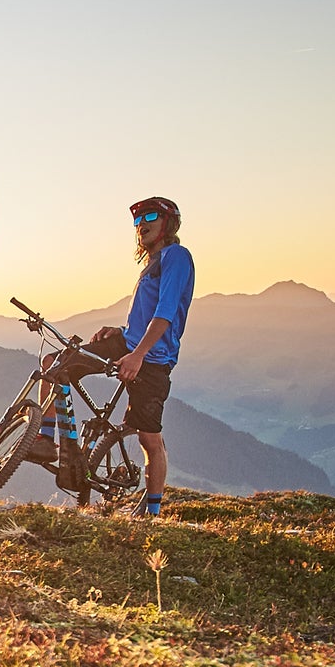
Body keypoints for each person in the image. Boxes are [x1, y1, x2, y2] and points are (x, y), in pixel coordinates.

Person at [113, 195, 193, 517]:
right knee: (58, 364)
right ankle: (42, 438)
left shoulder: (176, 256)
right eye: (137, 220)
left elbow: (165, 312)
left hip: (153, 357)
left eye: (149, 217)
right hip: (129, 342)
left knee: (149, 437)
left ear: (168, 224)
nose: (141, 225)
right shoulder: (150, 264)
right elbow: (144, 315)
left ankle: (153, 513)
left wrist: (138, 355)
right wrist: (117, 330)